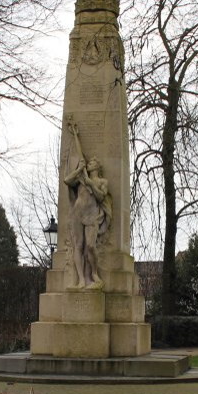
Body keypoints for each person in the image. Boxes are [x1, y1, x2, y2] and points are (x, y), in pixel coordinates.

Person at [63, 120, 112, 289]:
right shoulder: (81, 177)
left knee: (90, 246)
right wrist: (78, 170)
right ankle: (81, 280)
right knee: (78, 246)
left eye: (92, 163)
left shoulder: (101, 181)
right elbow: (66, 180)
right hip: (77, 212)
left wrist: (91, 184)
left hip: (92, 215)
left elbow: (100, 197)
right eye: (88, 162)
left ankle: (94, 274)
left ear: (97, 167)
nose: (89, 163)